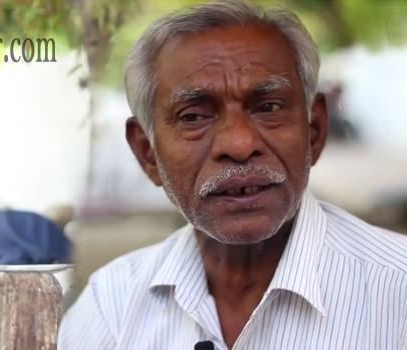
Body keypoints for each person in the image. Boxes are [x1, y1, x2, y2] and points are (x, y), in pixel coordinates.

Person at [59, 1, 407, 349]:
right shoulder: (113, 302)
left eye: (268, 107)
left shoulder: (397, 290)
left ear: (314, 130)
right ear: (147, 153)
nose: (239, 144)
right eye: (194, 116)